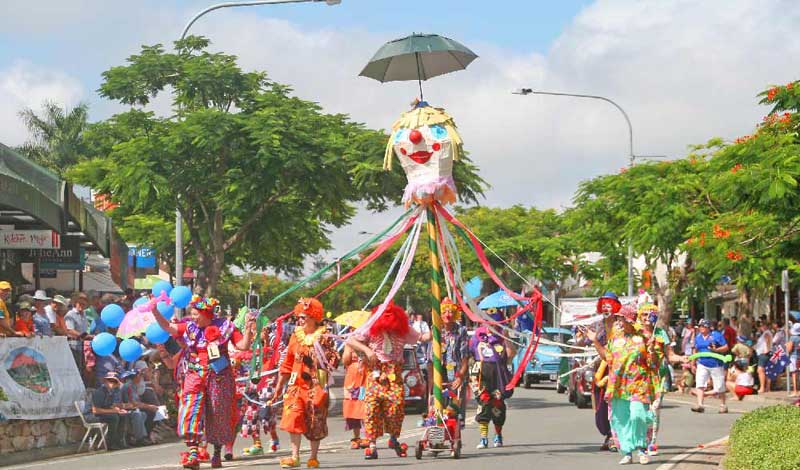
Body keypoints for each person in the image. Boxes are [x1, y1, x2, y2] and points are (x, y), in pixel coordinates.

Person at [152, 295, 256, 470]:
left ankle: (216, 453)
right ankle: (193, 452)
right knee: (190, 408)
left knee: (218, 414)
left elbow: (243, 346)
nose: (193, 317)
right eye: (191, 314)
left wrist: (248, 329)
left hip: (219, 376)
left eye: (195, 314)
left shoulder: (225, 326)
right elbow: (168, 327)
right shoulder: (189, 327)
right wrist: (154, 311)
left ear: (206, 314)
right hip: (195, 374)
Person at [347, 301, 430, 460]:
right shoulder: (370, 329)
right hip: (375, 375)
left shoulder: (403, 330)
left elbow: (422, 337)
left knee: (396, 409)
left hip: (394, 376)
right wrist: (366, 350)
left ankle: (393, 438)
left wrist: (437, 324)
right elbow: (350, 340)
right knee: (372, 409)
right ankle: (372, 445)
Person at [271, 298, 339, 469]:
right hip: (295, 386)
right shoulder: (295, 336)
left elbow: (334, 360)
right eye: (298, 317)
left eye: (304, 317)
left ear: (314, 317)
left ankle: (313, 457)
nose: (300, 320)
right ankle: (294, 457)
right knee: (293, 417)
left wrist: (324, 358)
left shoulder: (324, 336)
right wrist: (279, 386)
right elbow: (287, 363)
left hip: (316, 385)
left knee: (315, 421)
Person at [585, 304, 657, 465]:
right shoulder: (615, 340)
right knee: (621, 420)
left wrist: (653, 350)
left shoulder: (643, 337)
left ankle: (642, 448)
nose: (618, 322)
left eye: (621, 319)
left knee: (638, 415)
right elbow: (607, 357)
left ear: (630, 320)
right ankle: (627, 451)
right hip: (618, 387)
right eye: (618, 318)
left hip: (638, 385)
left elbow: (653, 362)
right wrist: (595, 341)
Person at [637, 302, 687, 457]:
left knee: (654, 410)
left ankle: (652, 442)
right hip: (639, 378)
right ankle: (639, 440)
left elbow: (670, 355)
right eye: (644, 315)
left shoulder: (660, 333)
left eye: (650, 315)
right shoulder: (635, 333)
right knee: (639, 412)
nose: (647, 318)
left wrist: (681, 358)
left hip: (658, 377)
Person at [470, 324, 512, 450]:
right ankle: (483, 438)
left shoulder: (502, 335)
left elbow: (510, 356)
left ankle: (498, 435)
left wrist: (507, 339)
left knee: (498, 403)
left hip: (498, 374)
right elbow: (470, 355)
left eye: (494, 321)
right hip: (482, 373)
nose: (490, 324)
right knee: (484, 403)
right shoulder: (478, 335)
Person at [434, 299, 469, 442]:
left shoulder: (461, 330)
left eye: (450, 312)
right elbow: (431, 358)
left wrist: (460, 376)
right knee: (436, 409)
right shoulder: (436, 330)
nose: (447, 315)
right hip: (439, 377)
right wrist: (432, 380)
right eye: (444, 312)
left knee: (453, 409)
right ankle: (436, 440)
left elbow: (465, 357)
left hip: (455, 375)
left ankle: (454, 438)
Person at [592, 291, 622, 452]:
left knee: (615, 404)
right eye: (603, 304)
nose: (606, 307)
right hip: (600, 370)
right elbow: (587, 341)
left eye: (609, 303)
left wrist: (595, 341)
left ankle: (613, 436)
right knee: (600, 408)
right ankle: (608, 434)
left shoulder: (621, 325)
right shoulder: (598, 324)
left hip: (617, 369)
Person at [692, 319, 729, 413]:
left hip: (716, 363)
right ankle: (700, 404)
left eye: (703, 326)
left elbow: (726, 347)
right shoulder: (698, 337)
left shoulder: (716, 335)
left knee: (720, 385)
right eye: (700, 326)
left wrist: (716, 350)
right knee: (700, 383)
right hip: (702, 363)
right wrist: (693, 363)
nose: (701, 328)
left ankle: (723, 405)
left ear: (708, 327)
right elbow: (695, 350)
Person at [89, 372, 131, 450]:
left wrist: (119, 410)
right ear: (105, 381)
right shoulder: (99, 392)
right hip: (92, 416)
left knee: (123, 416)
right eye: (110, 380)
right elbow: (95, 410)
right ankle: (110, 443)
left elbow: (110, 406)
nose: (112, 383)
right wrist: (114, 411)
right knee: (113, 417)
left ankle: (120, 441)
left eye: (114, 381)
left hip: (103, 414)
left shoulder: (111, 392)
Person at [341, 342, 368, 450]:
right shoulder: (350, 343)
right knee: (352, 408)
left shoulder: (369, 341)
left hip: (365, 376)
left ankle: (367, 436)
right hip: (352, 379)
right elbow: (345, 360)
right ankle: (356, 437)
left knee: (365, 406)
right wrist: (350, 347)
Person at [754, 321, 773, 393]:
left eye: (762, 325)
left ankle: (762, 387)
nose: (761, 327)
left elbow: (767, 340)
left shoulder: (766, 333)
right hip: (765, 353)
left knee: (760, 370)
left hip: (764, 354)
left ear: (765, 326)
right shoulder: (766, 333)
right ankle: (767, 387)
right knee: (767, 371)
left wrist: (767, 350)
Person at [786, 322, 800, 397]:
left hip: (794, 357)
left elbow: (789, 349)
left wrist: (787, 345)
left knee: (794, 374)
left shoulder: (793, 338)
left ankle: (795, 391)